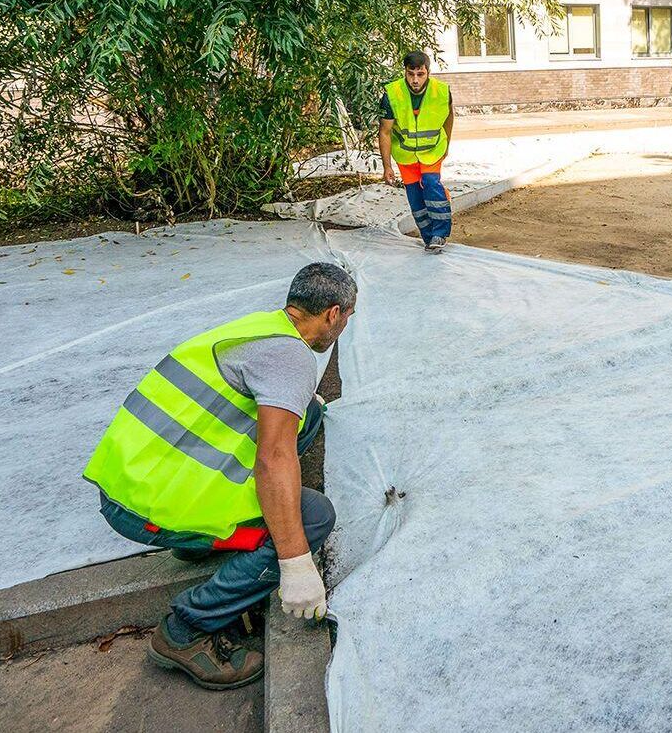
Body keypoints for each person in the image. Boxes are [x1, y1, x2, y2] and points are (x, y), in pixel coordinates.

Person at [83, 263, 356, 690]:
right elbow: (274, 458)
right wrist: (296, 561)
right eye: (347, 319)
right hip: (146, 506)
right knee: (314, 517)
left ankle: (195, 546)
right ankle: (188, 629)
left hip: (135, 476)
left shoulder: (261, 329)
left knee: (309, 415)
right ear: (333, 313)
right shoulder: (290, 357)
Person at [378, 51, 455, 252]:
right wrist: (387, 167)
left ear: (428, 72)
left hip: (432, 151)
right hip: (405, 155)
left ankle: (440, 233)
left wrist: (446, 145)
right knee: (415, 196)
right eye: (410, 74)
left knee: (431, 184)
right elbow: (384, 132)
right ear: (404, 71)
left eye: (420, 74)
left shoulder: (442, 91)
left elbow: (449, 117)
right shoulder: (392, 94)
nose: (415, 80)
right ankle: (428, 237)